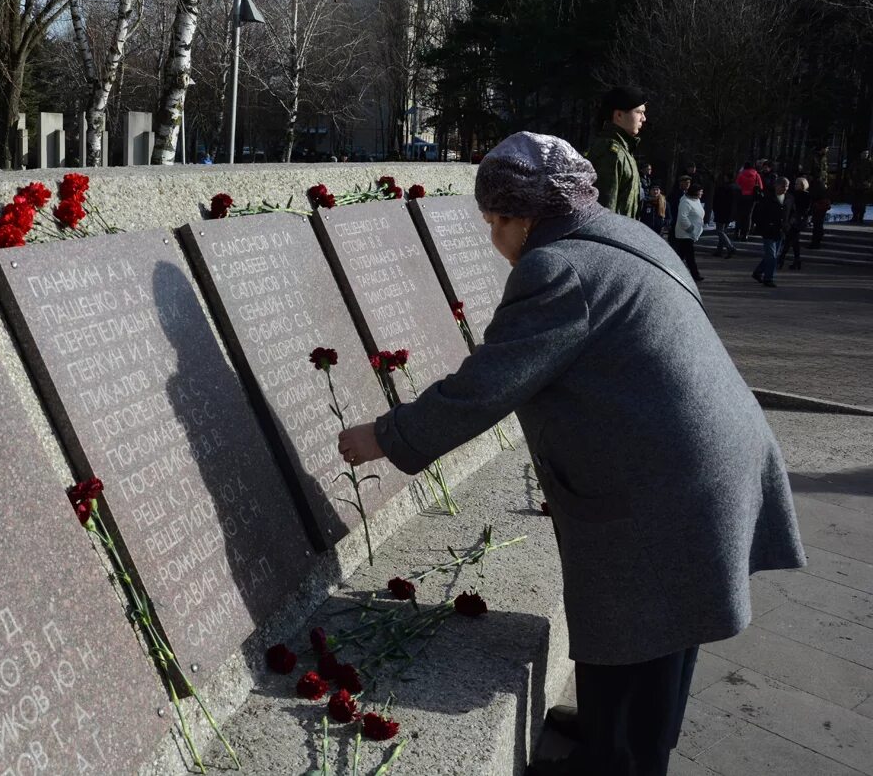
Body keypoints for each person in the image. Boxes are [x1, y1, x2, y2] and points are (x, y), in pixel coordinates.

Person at [336, 131, 805, 776]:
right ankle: (614, 730)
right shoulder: (623, 234)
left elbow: (486, 385)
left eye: (494, 222)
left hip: (670, 482)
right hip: (710, 459)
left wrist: (385, 436)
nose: (493, 238)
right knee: (666, 625)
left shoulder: (556, 269)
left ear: (522, 217)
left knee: (648, 624)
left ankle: (620, 760)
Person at [585, 86, 645, 219]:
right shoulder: (610, 152)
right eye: (639, 112)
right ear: (619, 115)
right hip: (612, 235)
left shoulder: (624, 151)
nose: (643, 118)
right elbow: (604, 215)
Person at [753, 177, 791, 287]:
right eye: (783, 186)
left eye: (787, 186)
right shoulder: (767, 197)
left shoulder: (789, 198)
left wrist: (790, 222)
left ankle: (758, 272)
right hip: (768, 230)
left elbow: (792, 212)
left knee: (773, 255)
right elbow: (758, 213)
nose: (785, 188)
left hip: (781, 230)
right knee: (771, 256)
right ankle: (768, 278)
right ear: (776, 186)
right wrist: (762, 225)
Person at [674, 184, 706, 281]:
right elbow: (682, 217)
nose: (702, 193)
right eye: (700, 191)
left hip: (691, 233)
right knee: (690, 256)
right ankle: (695, 275)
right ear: (695, 191)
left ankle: (672, 271)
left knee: (680, 256)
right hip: (685, 234)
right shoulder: (686, 202)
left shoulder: (696, 200)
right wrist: (691, 228)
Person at [780, 177, 809, 270]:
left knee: (790, 240)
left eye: (797, 184)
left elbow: (804, 209)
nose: (795, 185)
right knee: (793, 240)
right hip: (794, 220)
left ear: (802, 185)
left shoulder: (804, 195)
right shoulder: (793, 194)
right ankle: (796, 260)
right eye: (795, 183)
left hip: (797, 220)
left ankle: (782, 258)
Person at [734, 162, 763, 241]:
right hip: (752, 198)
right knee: (748, 216)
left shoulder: (741, 174)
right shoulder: (757, 175)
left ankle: (737, 232)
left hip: (741, 196)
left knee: (739, 215)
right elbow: (761, 187)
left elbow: (737, 185)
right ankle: (745, 234)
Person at [711, 175, 739, 258]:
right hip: (730, 212)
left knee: (720, 231)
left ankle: (730, 247)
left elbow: (717, 200)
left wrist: (715, 208)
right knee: (723, 231)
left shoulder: (723, 188)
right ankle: (719, 250)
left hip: (722, 211)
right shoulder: (737, 188)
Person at [809, 173, 831, 249]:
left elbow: (814, 195)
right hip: (822, 206)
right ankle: (817, 240)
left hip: (818, 206)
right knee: (819, 224)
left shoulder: (815, 184)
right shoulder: (822, 184)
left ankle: (815, 242)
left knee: (817, 225)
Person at [851, 149, 873, 225]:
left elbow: (871, 174)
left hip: (864, 185)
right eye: (864, 153)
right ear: (861, 154)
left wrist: (869, 181)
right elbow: (850, 172)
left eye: (867, 153)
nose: (866, 155)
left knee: (862, 202)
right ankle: (854, 216)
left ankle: (861, 217)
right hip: (856, 184)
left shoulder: (870, 163)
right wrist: (851, 180)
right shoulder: (856, 162)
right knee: (855, 201)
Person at [666, 175, 691, 242]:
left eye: (689, 183)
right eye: (686, 182)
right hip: (676, 220)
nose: (688, 184)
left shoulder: (690, 194)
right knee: (674, 241)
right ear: (681, 183)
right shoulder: (674, 193)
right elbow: (670, 207)